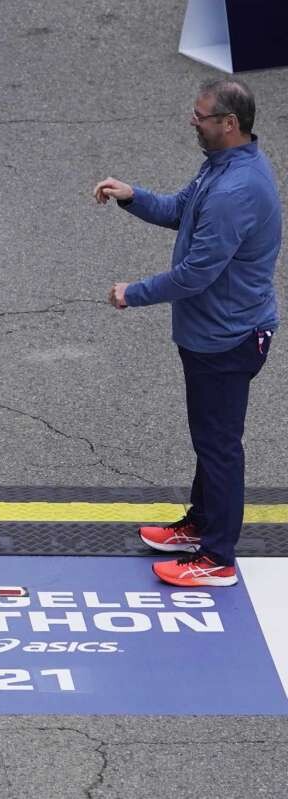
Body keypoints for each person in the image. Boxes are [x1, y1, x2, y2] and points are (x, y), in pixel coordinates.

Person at [93, 79, 280, 588]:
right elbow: (182, 209)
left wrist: (132, 293)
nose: (192, 121)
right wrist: (133, 197)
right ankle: (200, 524)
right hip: (212, 333)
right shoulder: (221, 166)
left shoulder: (235, 190)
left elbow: (197, 273)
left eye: (201, 116)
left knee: (219, 447)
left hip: (227, 339)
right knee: (210, 438)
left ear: (229, 124)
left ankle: (217, 557)